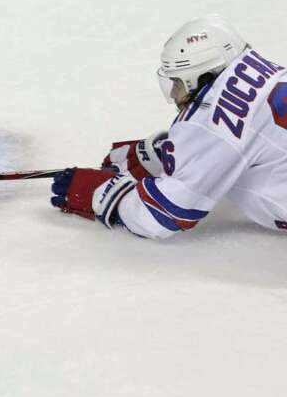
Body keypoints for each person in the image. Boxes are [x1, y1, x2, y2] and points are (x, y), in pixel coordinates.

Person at [50, 15, 287, 238]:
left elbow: (165, 214)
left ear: (203, 76)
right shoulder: (261, 71)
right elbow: (252, 136)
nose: (174, 92)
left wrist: (108, 195)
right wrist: (172, 156)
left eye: (177, 82)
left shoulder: (212, 124)